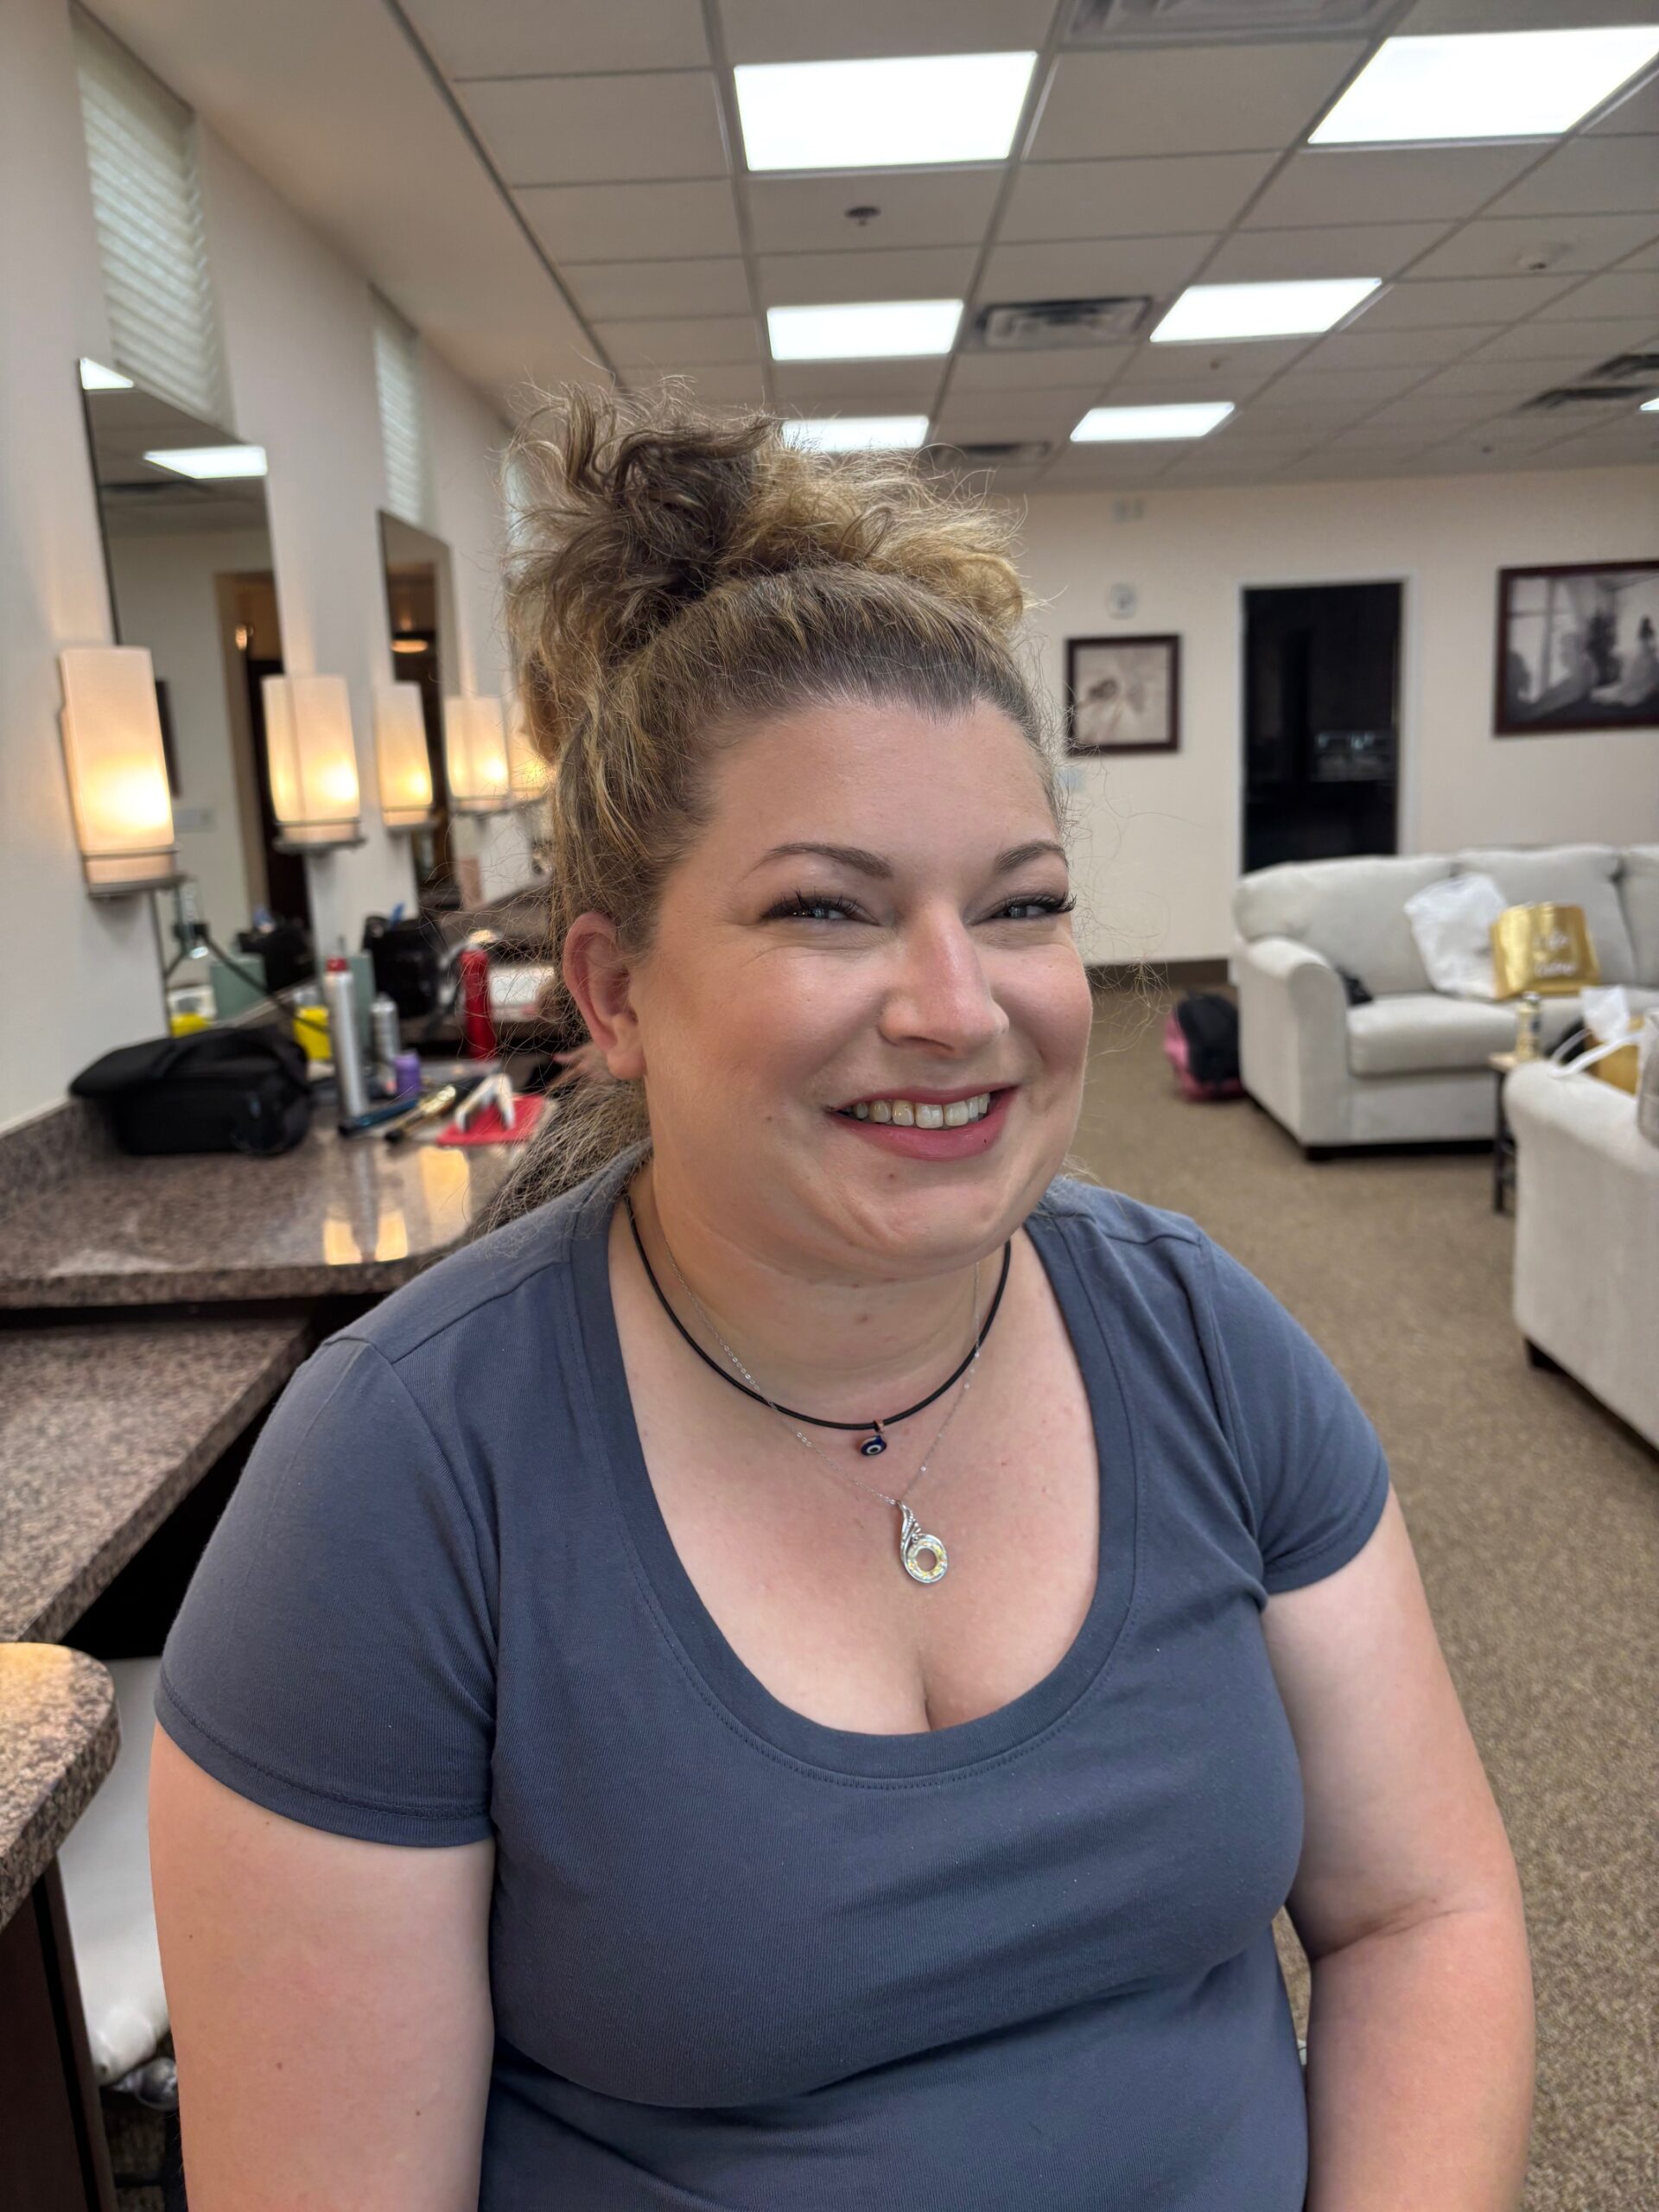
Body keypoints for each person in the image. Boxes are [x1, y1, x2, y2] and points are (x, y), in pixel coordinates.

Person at [148, 389, 1535, 2210]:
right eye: (828, 909)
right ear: (615, 994)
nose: (959, 1006)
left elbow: (1424, 1913)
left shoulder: (1200, 1339)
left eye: (1021, 906)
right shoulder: (405, 1475)